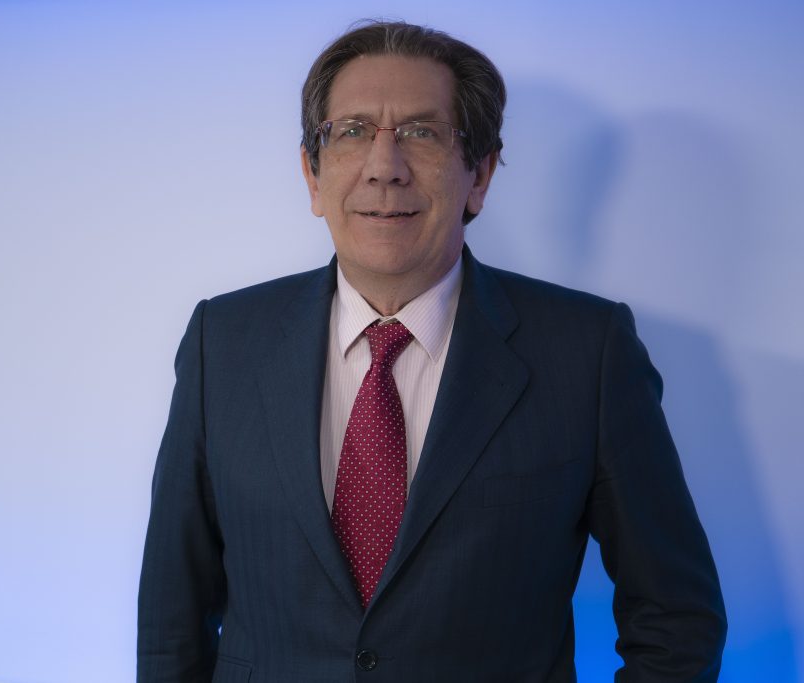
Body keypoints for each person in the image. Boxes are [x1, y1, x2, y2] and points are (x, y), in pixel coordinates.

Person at [138, 20, 726, 683]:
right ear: (312, 173)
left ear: (480, 174)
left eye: (421, 133)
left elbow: (677, 620)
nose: (384, 168)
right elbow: (171, 625)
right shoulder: (223, 341)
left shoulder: (587, 352)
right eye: (352, 131)